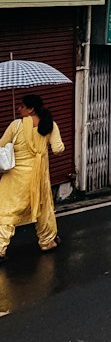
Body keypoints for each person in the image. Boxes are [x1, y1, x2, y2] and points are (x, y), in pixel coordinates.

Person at [0, 94, 65, 259]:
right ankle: (47, 241)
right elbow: (58, 149)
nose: (18, 108)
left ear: (31, 109)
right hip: (38, 177)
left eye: (22, 106)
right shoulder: (50, 125)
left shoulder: (16, 125)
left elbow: (2, 144)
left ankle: (0, 247)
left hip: (15, 178)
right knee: (44, 208)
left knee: (7, 211)